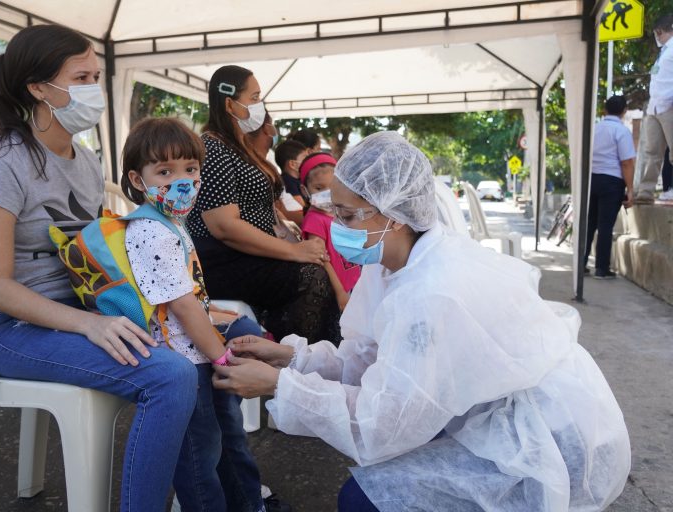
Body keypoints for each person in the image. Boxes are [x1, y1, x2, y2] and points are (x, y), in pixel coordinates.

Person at [213, 131, 631, 512]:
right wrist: (290, 358)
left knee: (363, 500)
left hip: (543, 444)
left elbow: (384, 423)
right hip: (493, 416)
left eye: (348, 215)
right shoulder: (394, 262)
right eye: (333, 212)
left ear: (393, 215)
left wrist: (278, 386)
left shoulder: (431, 292)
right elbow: (367, 360)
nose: (337, 228)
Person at [0, 25, 198, 512]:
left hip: (79, 307)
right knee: (170, 375)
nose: (94, 87)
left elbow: (94, 256)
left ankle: (213, 494)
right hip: (11, 327)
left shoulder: (86, 159)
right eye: (82, 76)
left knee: (195, 340)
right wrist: (91, 323)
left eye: (97, 75)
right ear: (38, 88)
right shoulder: (2, 159)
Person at [119, 117, 281, 512]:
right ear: (138, 181)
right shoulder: (150, 230)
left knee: (224, 439)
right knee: (198, 456)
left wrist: (214, 317)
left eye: (190, 169)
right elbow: (181, 305)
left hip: (196, 350)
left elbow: (187, 291)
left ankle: (245, 503)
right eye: (165, 171)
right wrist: (222, 357)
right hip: (185, 359)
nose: (182, 180)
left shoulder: (171, 221)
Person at [186, 65, 340, 344]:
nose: (259, 106)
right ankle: (292, 368)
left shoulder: (238, 145)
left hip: (250, 256)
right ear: (230, 103)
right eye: (254, 98)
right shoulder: (212, 147)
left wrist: (293, 241)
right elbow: (223, 226)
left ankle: (319, 366)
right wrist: (292, 252)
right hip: (224, 259)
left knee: (323, 272)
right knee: (311, 277)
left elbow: (264, 210)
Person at [299, 152, 360, 311]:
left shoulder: (340, 213)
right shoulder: (314, 219)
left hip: (354, 284)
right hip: (337, 290)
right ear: (304, 190)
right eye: (319, 188)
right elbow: (321, 258)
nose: (327, 193)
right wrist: (339, 291)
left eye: (332, 186)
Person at [584, 95, 635, 279]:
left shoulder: (594, 129)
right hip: (612, 181)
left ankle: (581, 263)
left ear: (604, 110)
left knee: (589, 224)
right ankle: (601, 268)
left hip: (591, 179)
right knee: (605, 225)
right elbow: (627, 162)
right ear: (624, 111)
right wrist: (630, 189)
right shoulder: (622, 131)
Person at [636, 14, 673, 204]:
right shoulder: (664, 52)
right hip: (655, 108)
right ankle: (646, 192)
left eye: (658, 33)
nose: (657, 37)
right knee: (652, 152)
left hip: (670, 105)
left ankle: (671, 189)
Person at [275, 140, 309, 209]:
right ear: (292, 164)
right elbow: (303, 207)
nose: (308, 161)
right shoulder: (287, 181)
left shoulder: (301, 179)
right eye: (305, 158)